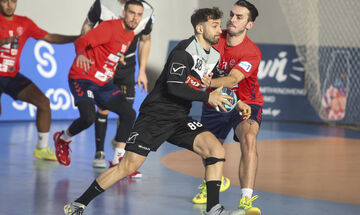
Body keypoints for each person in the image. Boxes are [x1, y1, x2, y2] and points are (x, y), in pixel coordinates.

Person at [63, 7, 251, 215]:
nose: (219, 30)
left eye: (219, 24)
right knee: (127, 167)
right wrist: (208, 97)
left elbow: (213, 83)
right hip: (155, 115)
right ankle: (78, 204)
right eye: (214, 25)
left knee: (215, 150)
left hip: (179, 118)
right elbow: (175, 87)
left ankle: (213, 209)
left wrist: (238, 102)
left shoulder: (213, 55)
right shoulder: (184, 51)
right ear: (200, 28)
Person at [53, 0, 144, 167]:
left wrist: (118, 57)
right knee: (88, 117)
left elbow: (111, 49)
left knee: (129, 114)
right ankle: (63, 139)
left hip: (103, 83)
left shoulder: (130, 35)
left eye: (139, 15)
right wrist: (81, 54)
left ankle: (118, 162)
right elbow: (81, 41)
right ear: (124, 13)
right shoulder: (109, 27)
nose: (135, 18)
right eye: (132, 13)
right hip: (83, 77)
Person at [192, 1, 263, 214]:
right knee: (209, 149)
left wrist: (208, 83)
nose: (232, 19)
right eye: (231, 15)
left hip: (246, 103)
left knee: (249, 138)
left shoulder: (251, 52)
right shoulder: (215, 37)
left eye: (239, 17)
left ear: (249, 24)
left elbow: (233, 79)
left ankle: (246, 200)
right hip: (214, 101)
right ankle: (216, 179)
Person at [0, 0, 78, 161]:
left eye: (13, 1)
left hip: (12, 76)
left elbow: (49, 37)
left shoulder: (24, 23)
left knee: (43, 102)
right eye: (5, 1)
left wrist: (77, 38)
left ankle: (41, 148)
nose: (9, 5)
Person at [81, 0, 154, 172]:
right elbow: (87, 26)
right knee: (103, 108)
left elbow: (145, 40)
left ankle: (118, 158)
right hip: (103, 62)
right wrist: (88, 52)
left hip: (126, 67)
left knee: (127, 110)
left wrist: (142, 71)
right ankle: (99, 152)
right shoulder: (103, 4)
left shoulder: (147, 10)